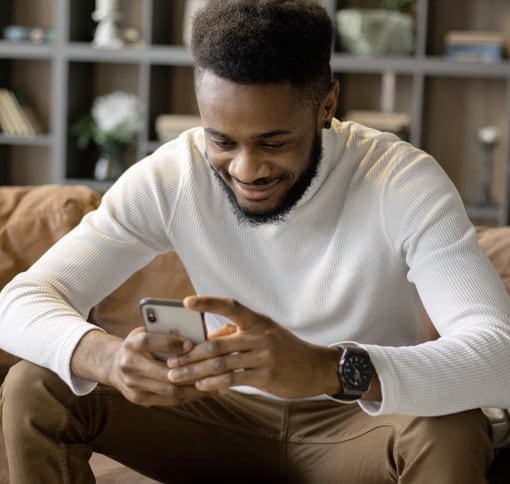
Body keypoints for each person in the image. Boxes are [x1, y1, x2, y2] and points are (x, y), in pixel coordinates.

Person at [1, 0, 509, 482]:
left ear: (326, 105)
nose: (246, 169)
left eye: (274, 142)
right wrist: (105, 357)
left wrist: (324, 368)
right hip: (220, 421)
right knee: (36, 386)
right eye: (221, 140)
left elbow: (500, 356)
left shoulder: (400, 180)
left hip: (355, 426)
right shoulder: (174, 175)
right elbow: (17, 301)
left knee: (448, 427)